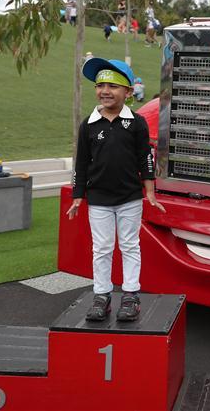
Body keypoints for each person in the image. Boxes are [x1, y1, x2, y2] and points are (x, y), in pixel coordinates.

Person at [66, 58, 165, 323]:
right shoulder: (89, 123)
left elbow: (145, 158)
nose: (105, 91)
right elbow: (81, 163)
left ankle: (131, 295)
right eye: (100, 85)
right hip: (98, 199)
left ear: (128, 92)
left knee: (130, 246)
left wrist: (150, 193)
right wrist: (78, 196)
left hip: (129, 198)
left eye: (112, 85)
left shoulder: (136, 122)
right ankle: (102, 296)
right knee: (102, 248)